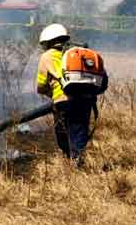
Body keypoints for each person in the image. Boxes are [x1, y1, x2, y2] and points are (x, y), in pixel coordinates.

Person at [35, 23, 100, 163]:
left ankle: (72, 161)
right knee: (79, 131)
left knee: (63, 134)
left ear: (48, 42)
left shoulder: (47, 56)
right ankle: (77, 159)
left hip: (62, 101)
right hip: (86, 100)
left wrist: (51, 93)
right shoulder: (78, 54)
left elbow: (41, 85)